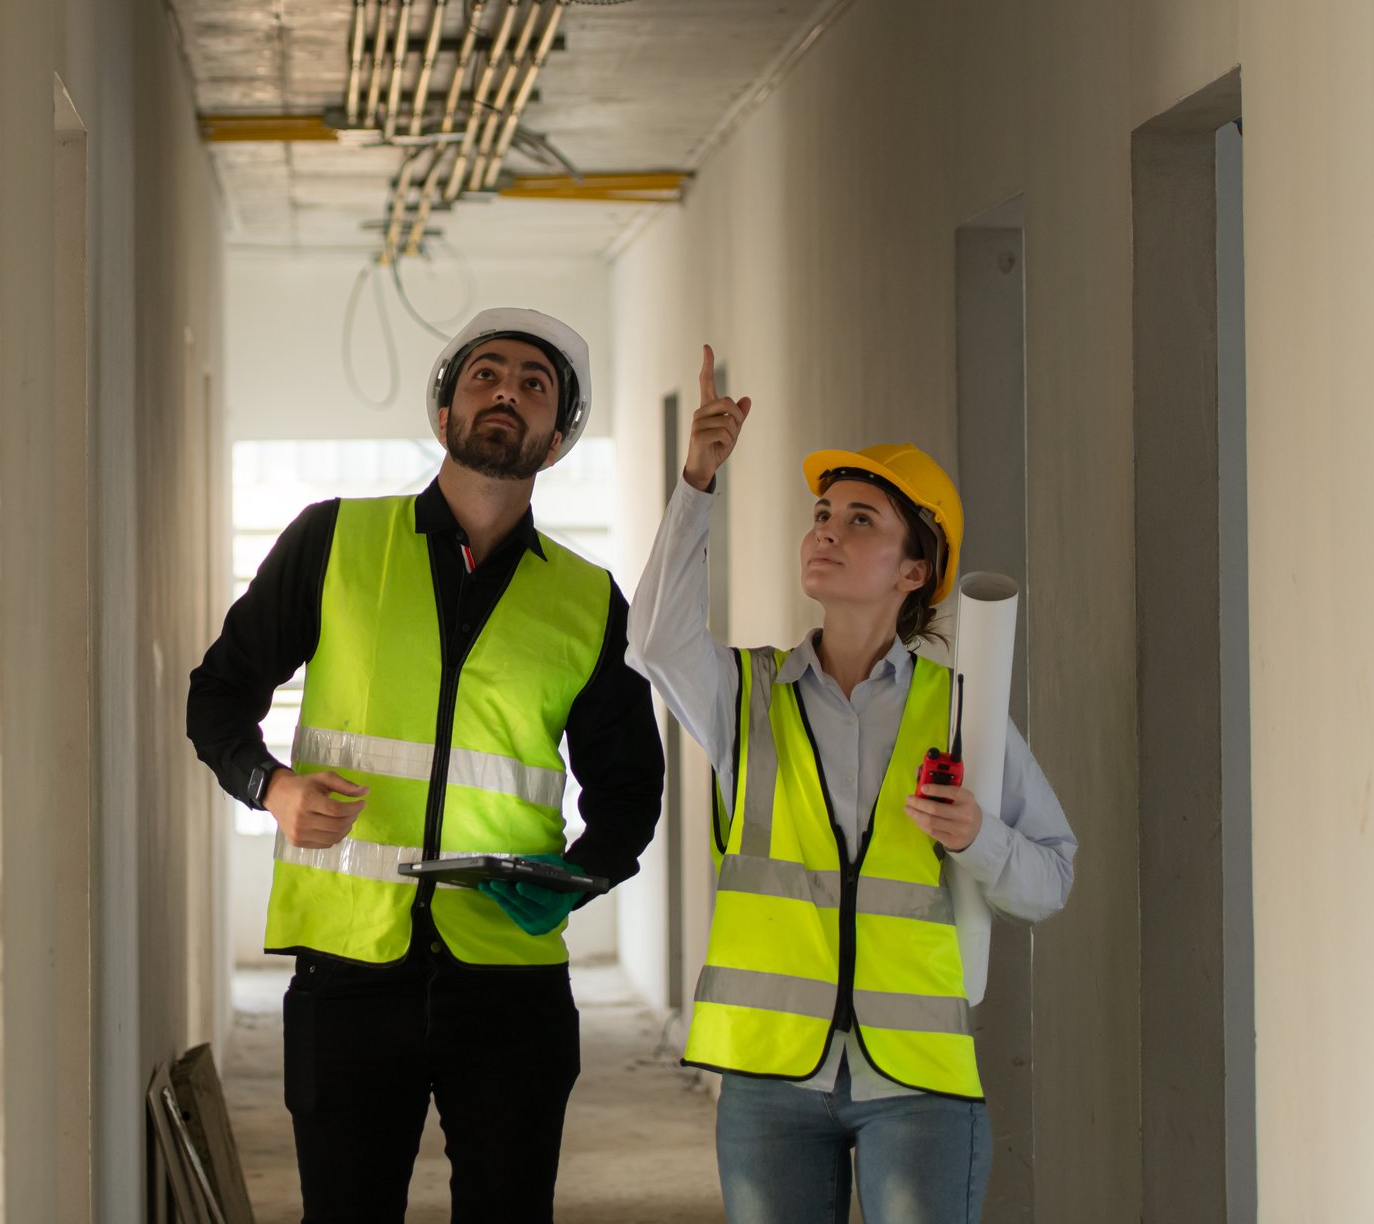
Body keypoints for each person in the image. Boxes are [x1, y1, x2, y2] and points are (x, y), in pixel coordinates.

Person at [188, 308, 664, 1223]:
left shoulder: (587, 600)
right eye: (487, 374)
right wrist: (272, 787)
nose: (507, 393)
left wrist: (576, 880)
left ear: (556, 440)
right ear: (443, 411)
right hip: (349, 972)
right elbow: (219, 694)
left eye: (535, 386)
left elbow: (629, 793)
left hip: (511, 980)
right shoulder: (333, 542)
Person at [629, 345, 1076, 1224]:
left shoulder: (960, 716)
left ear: (915, 571)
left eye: (861, 519)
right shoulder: (748, 698)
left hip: (917, 1083)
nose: (826, 529)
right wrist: (697, 483)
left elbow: (1051, 878)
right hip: (767, 1080)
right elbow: (652, 641)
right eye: (823, 513)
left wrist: (975, 835)